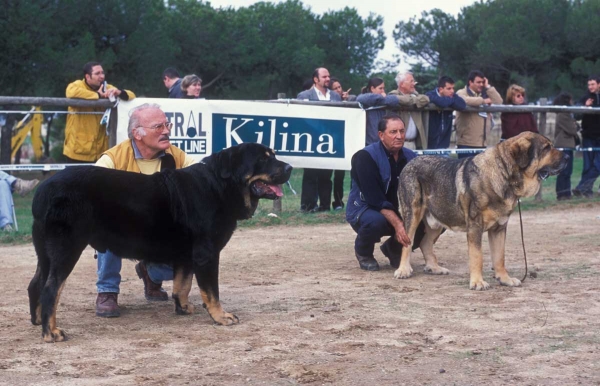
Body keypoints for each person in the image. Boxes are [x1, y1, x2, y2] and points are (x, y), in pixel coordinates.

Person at [94, 103, 196, 318]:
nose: (166, 130)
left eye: (166, 125)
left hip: (161, 232)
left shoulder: (177, 157)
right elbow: (90, 194)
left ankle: (150, 273)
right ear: (137, 134)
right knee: (105, 229)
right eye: (158, 126)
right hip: (122, 229)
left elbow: (201, 181)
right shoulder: (112, 159)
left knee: (193, 254)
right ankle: (107, 291)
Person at [346, 114, 426, 271]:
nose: (399, 136)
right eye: (393, 132)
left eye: (402, 131)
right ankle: (364, 253)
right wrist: (399, 224)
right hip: (366, 208)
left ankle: (393, 250)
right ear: (381, 135)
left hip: (400, 210)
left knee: (432, 222)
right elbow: (374, 198)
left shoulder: (413, 159)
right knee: (376, 221)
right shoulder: (364, 157)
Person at [64, 62, 136, 163]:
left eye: (102, 73)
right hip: (77, 151)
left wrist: (118, 92)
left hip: (100, 152)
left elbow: (131, 95)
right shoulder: (77, 85)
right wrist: (98, 95)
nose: (102, 76)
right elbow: (70, 92)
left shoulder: (107, 87)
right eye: (97, 73)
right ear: (87, 76)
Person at [296, 67, 342, 212]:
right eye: (324, 77)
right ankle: (308, 206)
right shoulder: (304, 95)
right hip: (311, 140)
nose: (328, 79)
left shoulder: (335, 96)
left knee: (326, 175)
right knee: (310, 174)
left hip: (329, 141)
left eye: (328, 76)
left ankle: (324, 206)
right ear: (316, 79)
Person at [356, 72, 430, 149]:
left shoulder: (414, 94)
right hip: (377, 143)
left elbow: (426, 99)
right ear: (372, 88)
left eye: (383, 88)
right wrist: (384, 98)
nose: (383, 91)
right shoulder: (390, 95)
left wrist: (411, 98)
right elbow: (360, 98)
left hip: (409, 143)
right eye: (380, 88)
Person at [455, 70, 503, 159]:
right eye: (478, 82)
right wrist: (483, 101)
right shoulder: (461, 92)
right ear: (470, 82)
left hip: (482, 143)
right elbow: (463, 100)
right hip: (466, 143)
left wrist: (488, 86)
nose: (481, 84)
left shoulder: (485, 93)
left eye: (482, 82)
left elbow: (499, 101)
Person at [572, 75, 600, 199]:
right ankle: (586, 191)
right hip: (589, 136)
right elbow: (576, 116)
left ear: (599, 84)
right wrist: (585, 107)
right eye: (589, 85)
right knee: (588, 165)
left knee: (598, 165)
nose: (590, 87)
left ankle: (581, 187)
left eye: (592, 84)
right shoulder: (585, 98)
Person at [425, 76, 466, 149]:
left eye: (453, 88)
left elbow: (462, 105)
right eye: (449, 88)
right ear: (441, 89)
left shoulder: (452, 96)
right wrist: (452, 101)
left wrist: (449, 100)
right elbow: (442, 103)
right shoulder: (430, 94)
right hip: (429, 145)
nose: (452, 91)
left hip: (443, 145)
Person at [553, 92, 579, 201]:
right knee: (564, 171)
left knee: (567, 171)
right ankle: (562, 193)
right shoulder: (563, 115)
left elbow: (575, 126)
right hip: (564, 146)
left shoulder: (566, 114)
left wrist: (575, 124)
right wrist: (575, 125)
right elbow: (572, 129)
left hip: (567, 145)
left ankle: (566, 193)